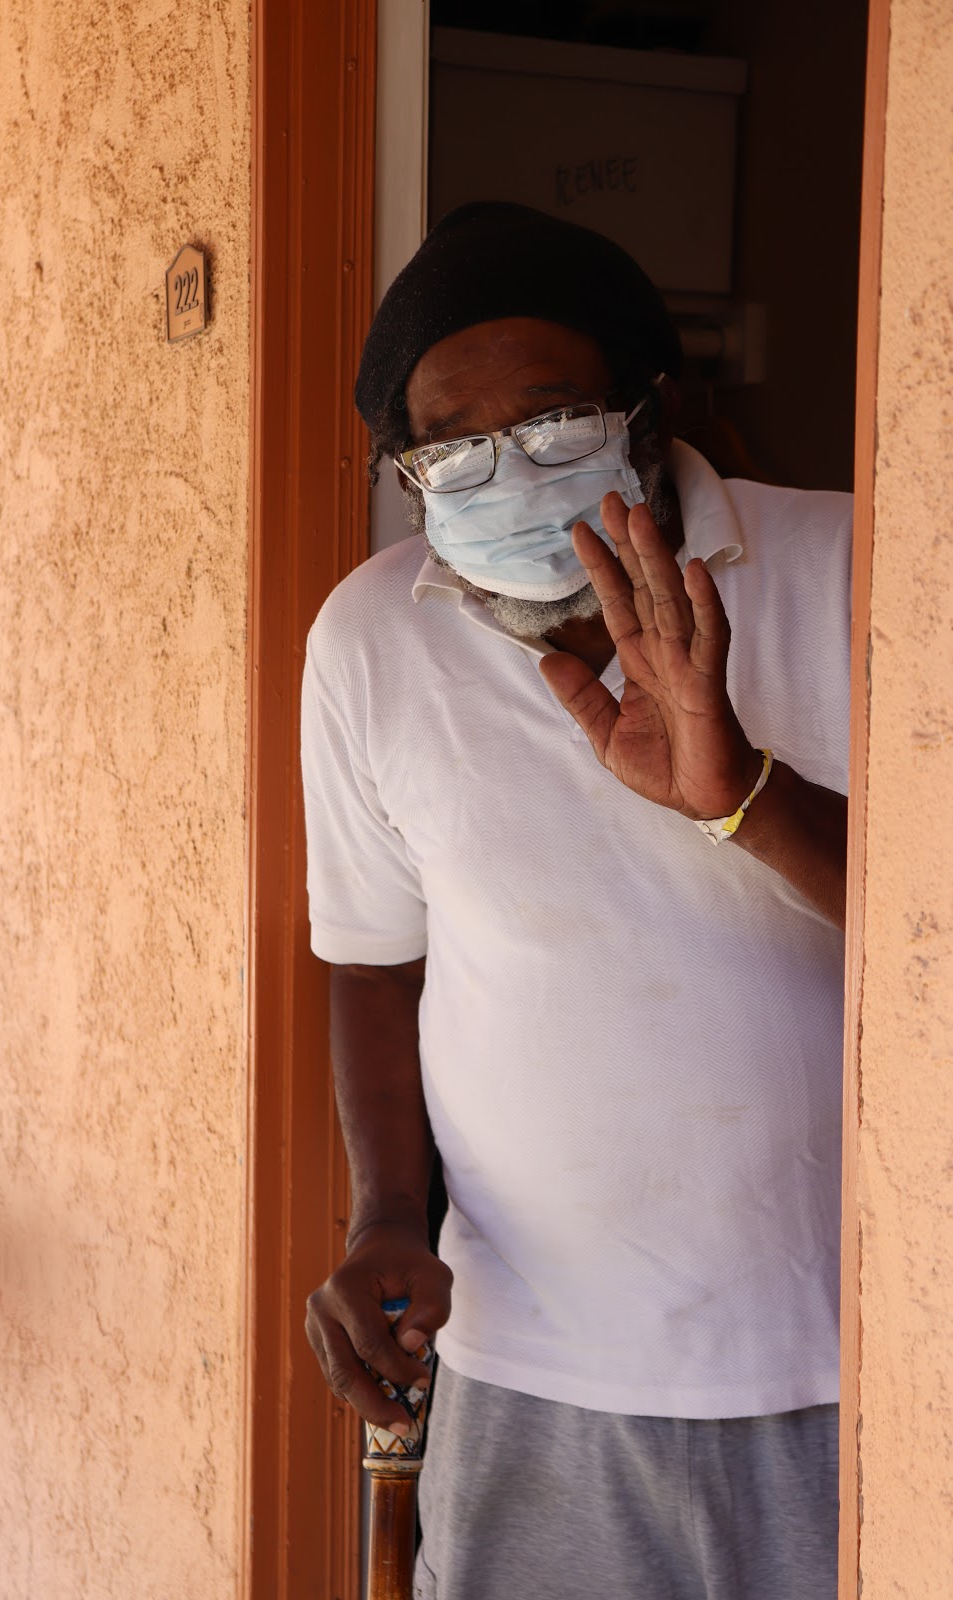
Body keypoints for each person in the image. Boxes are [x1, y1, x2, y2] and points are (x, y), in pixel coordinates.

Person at [302, 202, 849, 1600]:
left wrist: (744, 796)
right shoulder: (370, 639)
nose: (511, 472)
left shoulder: (862, 573)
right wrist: (387, 1215)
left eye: (554, 422)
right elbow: (375, 960)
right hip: (535, 1369)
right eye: (454, 447)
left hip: (854, 1355)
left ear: (652, 410)